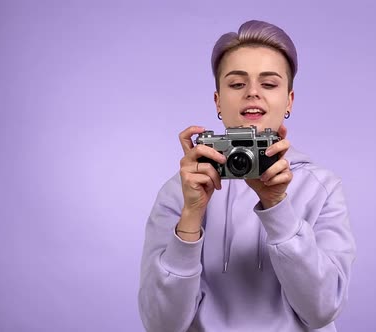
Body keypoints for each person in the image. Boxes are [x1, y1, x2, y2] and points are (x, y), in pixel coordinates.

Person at [138, 19, 356, 332]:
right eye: (237, 84)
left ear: (289, 100)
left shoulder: (322, 188)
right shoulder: (181, 191)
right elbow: (162, 325)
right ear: (218, 101)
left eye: (269, 84)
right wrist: (191, 215)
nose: (253, 93)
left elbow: (323, 309)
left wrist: (277, 206)